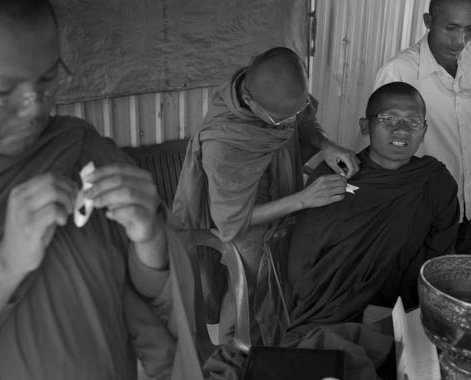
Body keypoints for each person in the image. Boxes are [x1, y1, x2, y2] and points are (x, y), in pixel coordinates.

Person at [0, 1, 202, 379]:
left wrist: (151, 241)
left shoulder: (78, 151)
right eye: (2, 90)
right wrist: (4, 265)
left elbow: (153, 312)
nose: (33, 110)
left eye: (46, 80)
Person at [172, 46, 360, 345]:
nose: (288, 125)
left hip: (282, 202)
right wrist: (303, 199)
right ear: (249, 101)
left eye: (294, 113)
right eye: (279, 121)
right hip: (246, 227)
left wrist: (326, 145)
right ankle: (230, 359)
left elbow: (302, 122)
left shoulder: (282, 101)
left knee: (278, 298)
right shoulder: (224, 143)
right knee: (246, 294)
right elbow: (231, 221)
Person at [280, 82, 460, 379]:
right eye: (388, 119)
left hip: (400, 310)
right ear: (366, 126)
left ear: (424, 130)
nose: (401, 129)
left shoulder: (435, 182)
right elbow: (304, 258)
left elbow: (438, 262)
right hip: (328, 310)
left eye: (412, 121)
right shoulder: (335, 175)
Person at [374, 0, 471, 254]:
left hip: (469, 213)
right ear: (428, 22)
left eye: (469, 30)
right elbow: (381, 151)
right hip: (427, 214)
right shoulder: (400, 72)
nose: (460, 41)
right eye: (451, 28)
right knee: (424, 287)